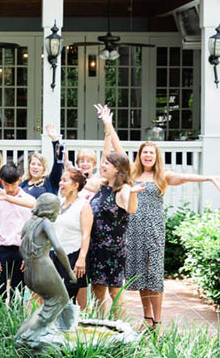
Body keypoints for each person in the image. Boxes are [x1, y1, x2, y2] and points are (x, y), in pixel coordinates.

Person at [116, 140, 220, 329]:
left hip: (154, 230)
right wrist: (108, 125)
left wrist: (209, 178)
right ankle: (147, 318)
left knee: (153, 273)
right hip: (135, 229)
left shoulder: (163, 176)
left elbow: (186, 177)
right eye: (145, 152)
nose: (148, 155)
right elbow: (118, 149)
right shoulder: (132, 173)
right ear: (140, 155)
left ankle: (158, 321)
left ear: (156, 157)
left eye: (151, 153)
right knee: (141, 274)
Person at [0, 166, 92, 310]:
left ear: (75, 185)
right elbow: (35, 205)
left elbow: (86, 234)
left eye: (64, 180)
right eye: (61, 180)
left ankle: (75, 328)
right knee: (57, 299)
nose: (60, 183)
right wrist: (7, 198)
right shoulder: (58, 203)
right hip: (57, 257)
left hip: (74, 257)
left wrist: (81, 258)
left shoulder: (83, 206)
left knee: (71, 300)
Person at [86, 105, 144, 317]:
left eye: (107, 164)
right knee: (97, 292)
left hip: (113, 250)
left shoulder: (123, 189)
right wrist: (106, 127)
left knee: (115, 292)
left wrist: (135, 193)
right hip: (96, 247)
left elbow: (131, 208)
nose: (103, 165)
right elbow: (105, 154)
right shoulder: (103, 185)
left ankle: (119, 328)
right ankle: (99, 327)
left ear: (117, 169)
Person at [15, 194, 78, 347]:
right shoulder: (45, 223)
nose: (58, 212)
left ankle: (24, 331)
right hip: (43, 269)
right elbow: (58, 248)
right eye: (57, 209)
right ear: (50, 210)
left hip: (30, 272)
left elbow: (21, 247)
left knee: (50, 301)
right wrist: (69, 270)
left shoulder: (29, 223)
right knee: (60, 299)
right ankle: (32, 334)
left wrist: (28, 260)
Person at [0, 163, 33, 302]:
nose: (10, 189)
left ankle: (16, 322)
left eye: (13, 184)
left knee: (17, 293)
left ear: (19, 179)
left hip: (21, 250)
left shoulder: (29, 201)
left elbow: (32, 230)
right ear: (1, 181)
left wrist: (28, 256)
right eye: (6, 185)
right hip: (2, 249)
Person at [20, 124, 64, 199]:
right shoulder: (23, 184)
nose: (35, 167)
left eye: (39, 165)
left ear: (44, 168)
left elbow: (58, 162)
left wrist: (55, 140)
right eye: (33, 164)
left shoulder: (50, 182)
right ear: (29, 166)